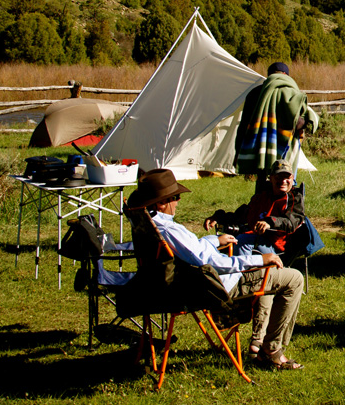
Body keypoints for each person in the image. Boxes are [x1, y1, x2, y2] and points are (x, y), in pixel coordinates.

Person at [127, 168, 305, 370]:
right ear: (162, 203)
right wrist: (258, 259)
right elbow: (209, 262)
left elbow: (194, 250)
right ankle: (272, 351)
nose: (178, 201)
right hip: (213, 286)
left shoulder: (149, 225)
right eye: (175, 197)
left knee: (270, 277)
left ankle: (259, 340)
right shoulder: (170, 229)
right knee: (294, 279)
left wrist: (214, 240)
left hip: (180, 284)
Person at [234, 61, 320, 192]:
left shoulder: (255, 93)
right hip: (285, 147)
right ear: (286, 75)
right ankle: (285, 208)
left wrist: (238, 151)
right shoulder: (292, 93)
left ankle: (261, 209)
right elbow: (302, 121)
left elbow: (244, 125)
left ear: (268, 75)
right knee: (286, 178)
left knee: (262, 184)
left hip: (260, 148)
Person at [203, 159, 307, 262]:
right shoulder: (262, 196)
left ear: (292, 178)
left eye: (287, 177)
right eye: (279, 177)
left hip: (276, 247)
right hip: (254, 238)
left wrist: (269, 223)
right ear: (271, 178)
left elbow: (291, 222)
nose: (283, 181)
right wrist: (218, 217)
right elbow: (242, 215)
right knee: (216, 240)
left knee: (242, 241)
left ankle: (241, 276)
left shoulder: (294, 198)